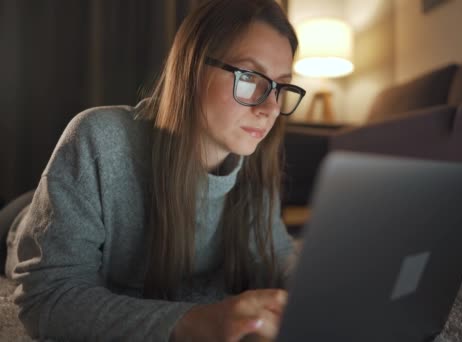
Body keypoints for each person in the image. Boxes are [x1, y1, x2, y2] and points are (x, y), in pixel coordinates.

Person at [2, 0, 307, 340]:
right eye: (250, 77)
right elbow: (47, 298)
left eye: (281, 86)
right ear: (192, 67)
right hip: (28, 218)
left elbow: (280, 256)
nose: (270, 107)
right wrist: (196, 322)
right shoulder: (100, 138)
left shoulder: (253, 160)